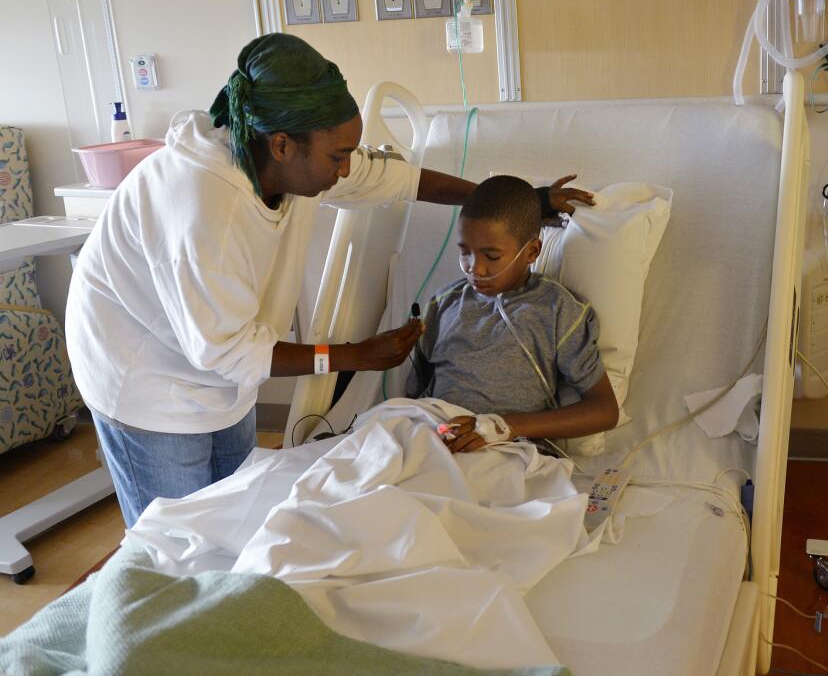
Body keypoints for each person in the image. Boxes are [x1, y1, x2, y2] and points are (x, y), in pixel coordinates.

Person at [65, 34, 591, 526]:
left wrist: (522, 203)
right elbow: (228, 352)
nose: (346, 170)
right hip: (145, 373)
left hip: (220, 367)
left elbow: (393, 178)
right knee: (175, 540)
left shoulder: (278, 160)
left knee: (231, 519)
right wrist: (355, 355)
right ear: (282, 145)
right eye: (337, 156)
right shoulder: (206, 210)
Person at [406, 175, 619, 453]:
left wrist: (503, 427)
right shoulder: (444, 304)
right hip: (433, 438)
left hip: (504, 452)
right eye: (465, 252)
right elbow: (415, 395)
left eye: (491, 257)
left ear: (531, 251)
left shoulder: (556, 310)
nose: (475, 269)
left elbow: (604, 410)